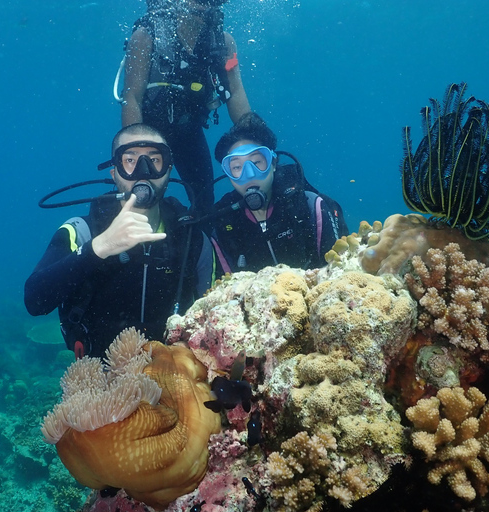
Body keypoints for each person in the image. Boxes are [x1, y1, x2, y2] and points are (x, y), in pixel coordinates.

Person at [24, 124, 215, 359]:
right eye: (130, 160)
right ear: (115, 172)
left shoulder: (192, 239)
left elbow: (215, 313)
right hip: (100, 382)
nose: (143, 171)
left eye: (154, 160)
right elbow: (34, 301)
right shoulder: (81, 230)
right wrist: (100, 247)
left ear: (168, 170)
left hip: (178, 378)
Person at [121, 0, 251, 213]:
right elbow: (132, 98)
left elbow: (235, 92)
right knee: (144, 198)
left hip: (189, 132)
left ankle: (200, 243)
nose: (202, 4)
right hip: (150, 134)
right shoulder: (146, 37)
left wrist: (255, 142)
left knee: (204, 201)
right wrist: (135, 153)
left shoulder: (223, 43)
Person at [209, 112, 349, 274]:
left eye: (256, 162)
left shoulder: (310, 206)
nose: (249, 174)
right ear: (229, 175)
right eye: (236, 167)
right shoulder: (224, 226)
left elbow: (338, 272)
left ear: (273, 163)